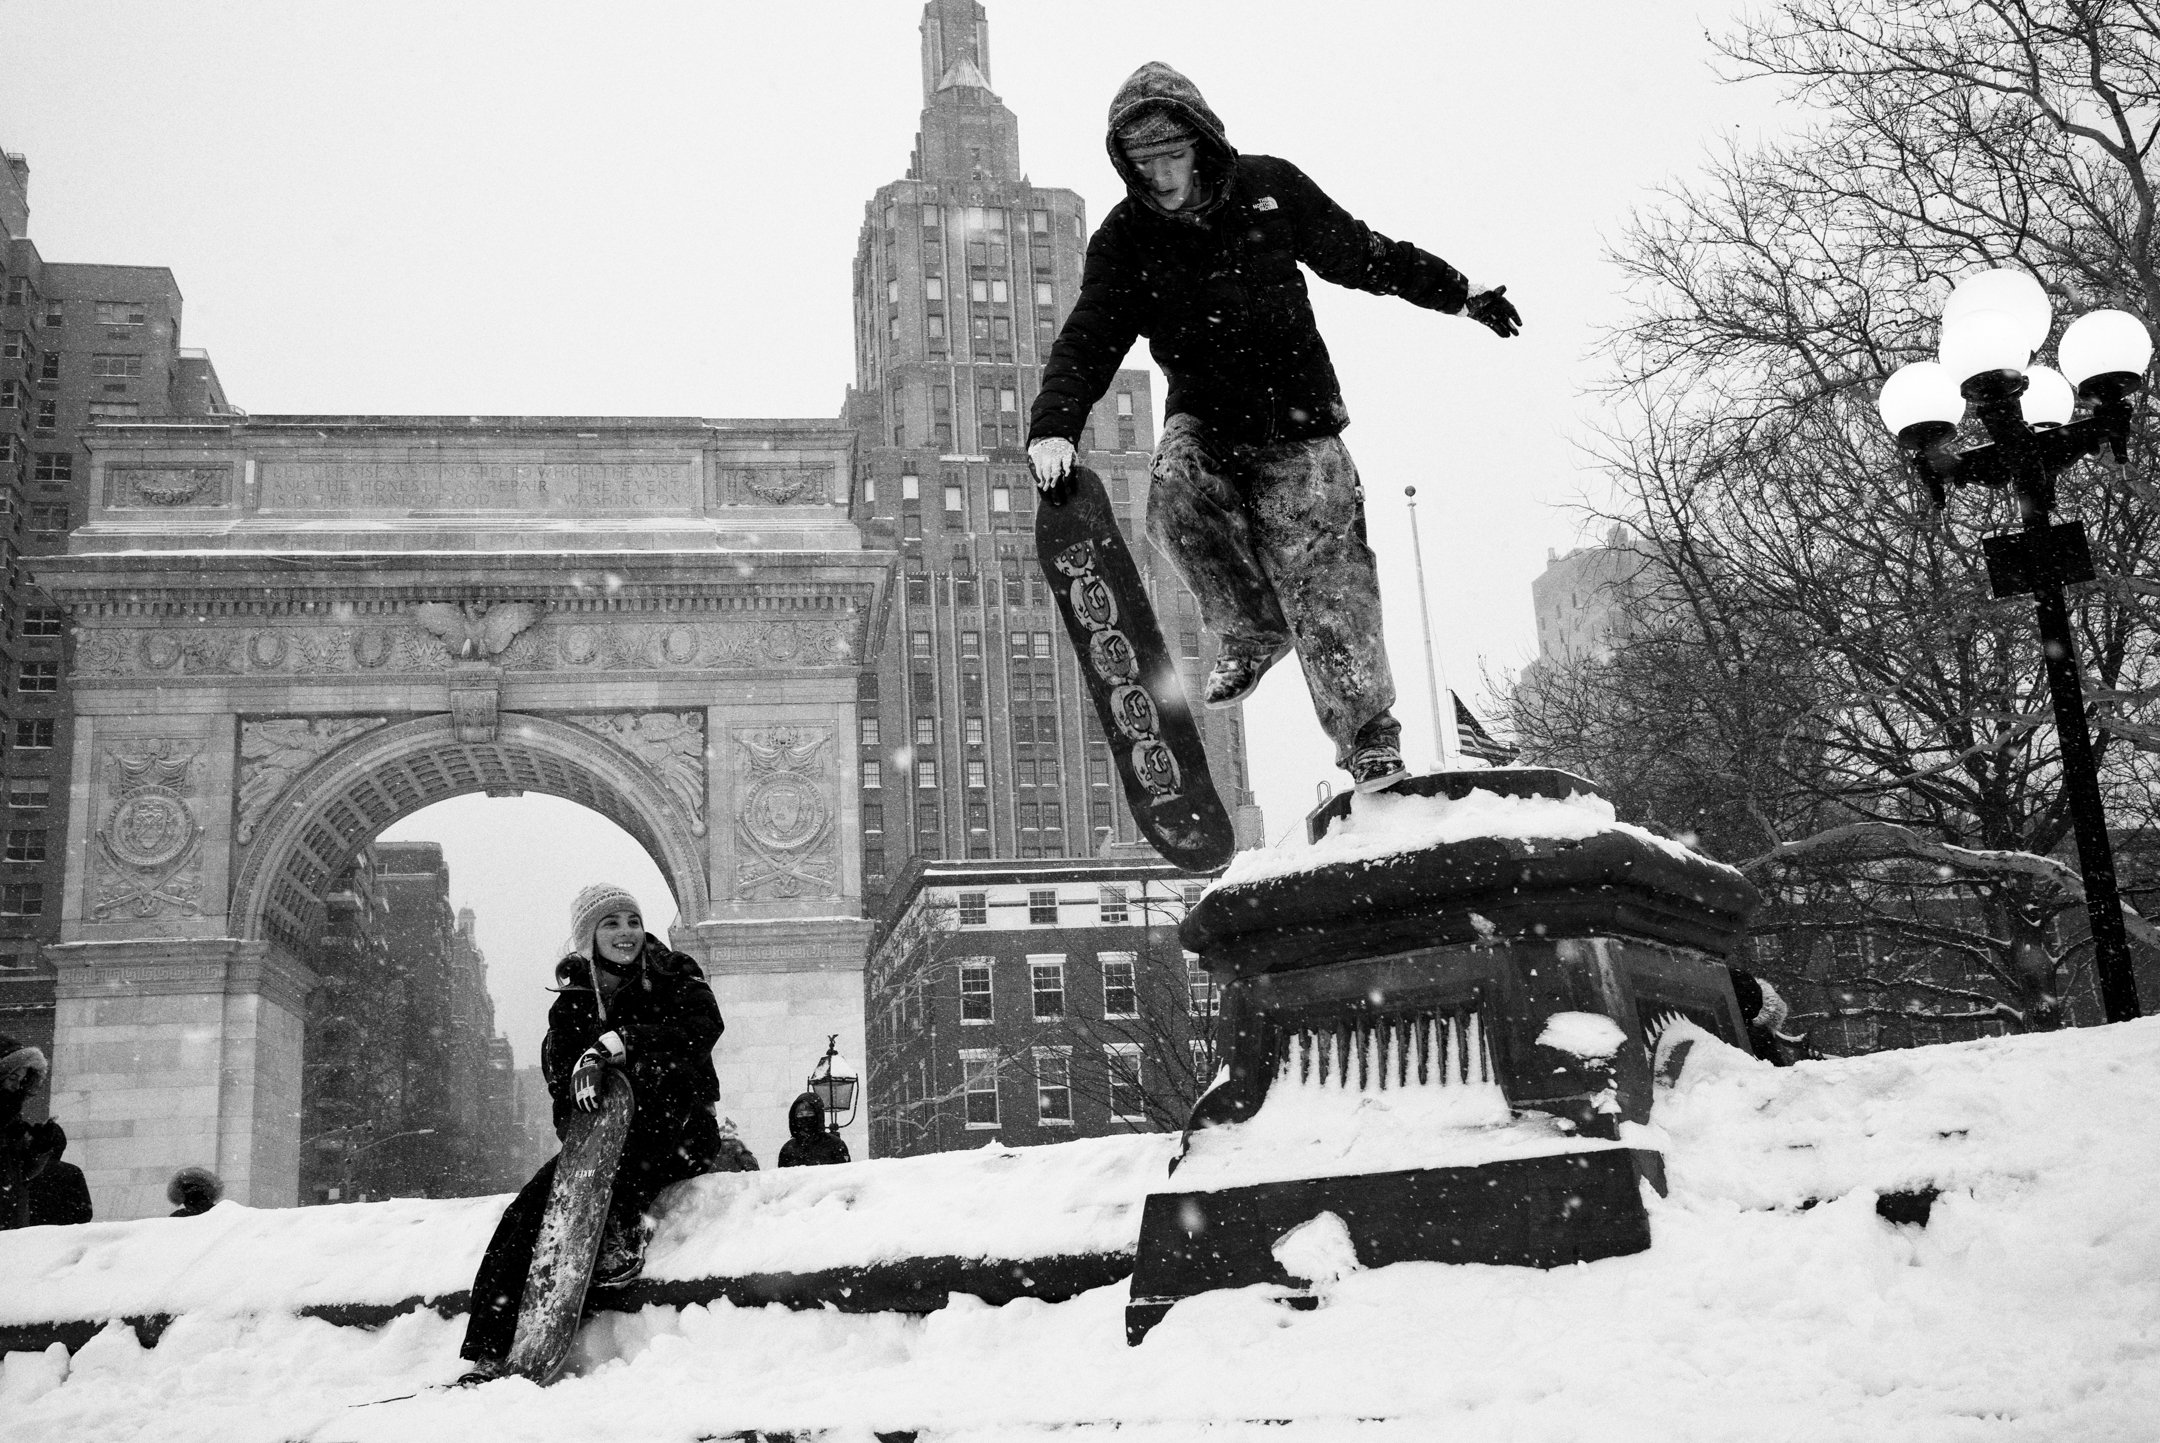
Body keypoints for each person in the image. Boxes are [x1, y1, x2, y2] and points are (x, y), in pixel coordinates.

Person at [1026, 62, 1521, 791]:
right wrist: (1054, 427)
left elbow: (1362, 254)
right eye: (1144, 163)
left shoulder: (1269, 189)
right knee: (1173, 495)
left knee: (1324, 572)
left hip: (1299, 418)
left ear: (1200, 144)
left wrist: (1458, 293)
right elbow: (1090, 336)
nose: (1160, 177)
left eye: (1170, 157)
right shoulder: (1127, 239)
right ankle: (1251, 624)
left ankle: (1368, 738)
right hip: (1208, 418)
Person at [456, 884, 723, 1383]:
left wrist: (622, 1043)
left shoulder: (676, 973)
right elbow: (561, 1083)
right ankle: (489, 1349)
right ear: (588, 935)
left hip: (680, 1129)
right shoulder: (573, 1000)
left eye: (632, 920)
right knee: (526, 1214)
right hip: (603, 1143)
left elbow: (703, 1027)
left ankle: (621, 1232)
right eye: (610, 923)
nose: (626, 932)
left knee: (634, 1142)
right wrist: (580, 1099)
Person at [1, 1033, 61, 1230]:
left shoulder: (11, 1122)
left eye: (21, 1080)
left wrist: (38, 1148)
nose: (17, 1086)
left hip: (11, 1227)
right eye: (12, 1077)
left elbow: (21, 1174)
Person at [27, 1134, 91, 1227]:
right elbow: (85, 1212)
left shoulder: (23, 1173)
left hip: (28, 1234)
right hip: (63, 1234)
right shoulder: (72, 1172)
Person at [775, 1092, 850, 1168]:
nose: (805, 1118)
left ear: (818, 1116)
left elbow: (844, 1175)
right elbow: (782, 1177)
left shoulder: (835, 1145)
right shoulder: (788, 1149)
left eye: (810, 1113)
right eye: (800, 1114)